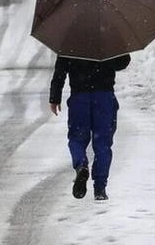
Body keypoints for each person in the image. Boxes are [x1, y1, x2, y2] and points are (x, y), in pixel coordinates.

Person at [49, 54, 131, 201]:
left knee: (77, 139)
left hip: (79, 95)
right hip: (104, 96)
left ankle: (81, 166)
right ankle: (100, 188)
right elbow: (122, 62)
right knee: (103, 144)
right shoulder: (111, 34)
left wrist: (55, 96)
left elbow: (60, 69)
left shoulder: (69, 38)